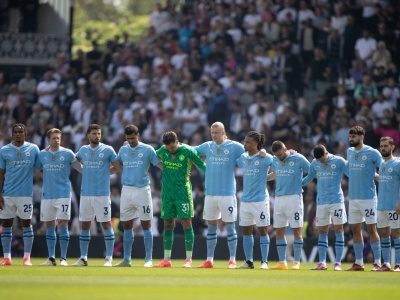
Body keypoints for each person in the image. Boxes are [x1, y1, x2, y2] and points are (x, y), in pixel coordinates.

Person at [195, 122, 263, 269]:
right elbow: (191, 151)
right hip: (210, 194)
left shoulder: (235, 147)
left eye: (216, 133)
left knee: (230, 227)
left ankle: (232, 259)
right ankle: (209, 260)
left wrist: (261, 153)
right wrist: (179, 146)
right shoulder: (207, 146)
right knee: (211, 227)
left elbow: (250, 152)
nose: (214, 135)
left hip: (227, 194)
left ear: (223, 132)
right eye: (212, 133)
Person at [153, 131, 206, 268]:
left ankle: (188, 259)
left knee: (186, 223)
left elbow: (202, 166)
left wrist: (215, 174)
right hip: (167, 194)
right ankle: (166, 259)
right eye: (167, 148)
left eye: (172, 148)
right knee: (167, 224)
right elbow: (149, 156)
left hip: (183, 193)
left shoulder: (188, 151)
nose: (170, 151)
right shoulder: (162, 150)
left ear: (177, 142)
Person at [72, 124, 121, 267]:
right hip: (86, 194)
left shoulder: (107, 149)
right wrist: (82, 170)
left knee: (106, 224)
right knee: (85, 224)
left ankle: (109, 258)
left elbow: (117, 166)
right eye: (94, 133)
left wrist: (107, 172)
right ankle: (83, 258)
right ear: (88, 135)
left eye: (99, 133)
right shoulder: (83, 150)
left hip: (102, 194)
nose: (97, 136)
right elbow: (74, 161)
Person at [113, 125, 162, 267]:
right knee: (127, 225)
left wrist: (175, 172)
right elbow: (117, 166)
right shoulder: (123, 149)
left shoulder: (147, 150)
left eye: (133, 138)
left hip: (142, 190)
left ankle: (148, 259)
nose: (131, 141)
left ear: (138, 135)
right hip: (126, 190)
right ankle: (127, 259)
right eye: (128, 139)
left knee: (146, 224)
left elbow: (160, 165)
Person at [37, 128, 82, 266]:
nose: (56, 140)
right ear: (48, 140)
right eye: (54, 138)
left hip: (63, 194)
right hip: (47, 195)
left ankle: (63, 259)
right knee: (49, 225)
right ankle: (51, 258)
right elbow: (39, 169)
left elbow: (80, 168)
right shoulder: (42, 154)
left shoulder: (68, 153)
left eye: (58, 138)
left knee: (63, 224)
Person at [302, 145, 348, 271]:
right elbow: (310, 177)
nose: (321, 162)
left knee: (339, 229)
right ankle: (322, 262)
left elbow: (350, 173)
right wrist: (298, 183)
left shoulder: (339, 161)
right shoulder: (315, 162)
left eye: (322, 159)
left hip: (337, 201)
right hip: (321, 201)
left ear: (327, 152)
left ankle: (337, 262)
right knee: (322, 231)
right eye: (319, 160)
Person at [0, 124, 40, 266]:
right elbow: (1, 174)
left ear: (25, 134)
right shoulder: (4, 151)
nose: (18, 134)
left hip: (25, 194)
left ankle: (26, 258)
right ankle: (6, 258)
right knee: (6, 224)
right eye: (15, 132)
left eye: (20, 132)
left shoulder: (33, 149)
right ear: (12, 134)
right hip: (7, 194)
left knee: (26, 224)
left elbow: (41, 164)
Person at [269, 140, 310, 270]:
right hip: (279, 198)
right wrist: (263, 178)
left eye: (281, 154)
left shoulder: (298, 158)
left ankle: (296, 262)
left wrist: (302, 183)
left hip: (294, 198)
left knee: (297, 230)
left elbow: (312, 171)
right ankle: (282, 262)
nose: (280, 157)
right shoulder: (275, 160)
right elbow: (275, 173)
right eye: (277, 156)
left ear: (285, 149)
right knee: (280, 230)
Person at [346, 126, 382, 271]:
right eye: (350, 137)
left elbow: (383, 166)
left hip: (368, 198)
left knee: (372, 230)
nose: (351, 139)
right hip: (353, 198)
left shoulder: (372, 153)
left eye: (353, 137)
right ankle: (359, 263)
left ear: (361, 137)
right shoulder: (349, 152)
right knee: (355, 230)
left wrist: (378, 176)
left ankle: (377, 263)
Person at [236, 131, 273, 270]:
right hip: (245, 200)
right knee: (246, 230)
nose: (244, 144)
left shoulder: (266, 157)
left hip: (260, 200)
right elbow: (235, 162)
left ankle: (264, 262)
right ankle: (249, 261)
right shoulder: (243, 158)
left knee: (262, 230)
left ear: (256, 144)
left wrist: (267, 178)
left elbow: (279, 168)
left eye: (247, 142)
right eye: (244, 141)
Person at [376, 137, 400, 271]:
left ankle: (398, 264)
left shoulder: (397, 163)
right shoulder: (382, 164)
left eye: (385, 146)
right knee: (384, 234)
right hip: (381, 206)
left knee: (396, 234)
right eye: (381, 146)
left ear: (392, 147)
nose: (383, 148)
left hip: (394, 206)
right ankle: (386, 264)